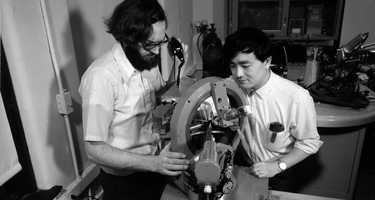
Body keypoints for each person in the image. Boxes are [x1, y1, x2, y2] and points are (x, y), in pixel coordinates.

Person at [78, 0, 190, 199]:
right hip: (126, 182)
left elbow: (158, 97)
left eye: (160, 42)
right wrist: (154, 164)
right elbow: (94, 150)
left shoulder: (147, 60)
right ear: (127, 38)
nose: (157, 51)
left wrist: (178, 66)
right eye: (150, 45)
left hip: (155, 167)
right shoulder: (101, 77)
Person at [200, 26, 323, 192]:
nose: (238, 74)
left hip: (278, 171)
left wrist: (277, 166)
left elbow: (309, 143)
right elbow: (215, 95)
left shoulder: (296, 98)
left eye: (245, 65)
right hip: (245, 165)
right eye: (233, 66)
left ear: (267, 62)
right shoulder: (234, 84)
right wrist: (207, 105)